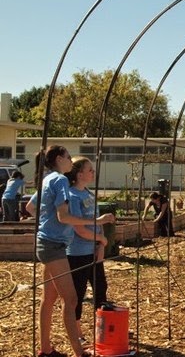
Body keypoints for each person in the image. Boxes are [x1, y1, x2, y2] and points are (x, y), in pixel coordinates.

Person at [26, 145, 115, 357]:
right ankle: (79, 352)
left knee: (48, 300)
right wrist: (96, 221)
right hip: (54, 246)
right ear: (59, 159)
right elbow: (63, 217)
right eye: (67, 157)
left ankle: (45, 349)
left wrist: (46, 223)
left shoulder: (48, 179)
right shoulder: (60, 180)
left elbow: (30, 207)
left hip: (47, 243)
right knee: (72, 299)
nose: (70, 161)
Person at [64, 157, 109, 345]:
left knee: (101, 289)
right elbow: (79, 229)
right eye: (90, 170)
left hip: (94, 251)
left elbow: (98, 221)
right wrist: (101, 239)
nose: (93, 173)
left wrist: (101, 246)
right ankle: (78, 334)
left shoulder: (89, 194)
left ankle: (105, 329)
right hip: (77, 253)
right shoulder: (72, 196)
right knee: (78, 294)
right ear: (79, 174)